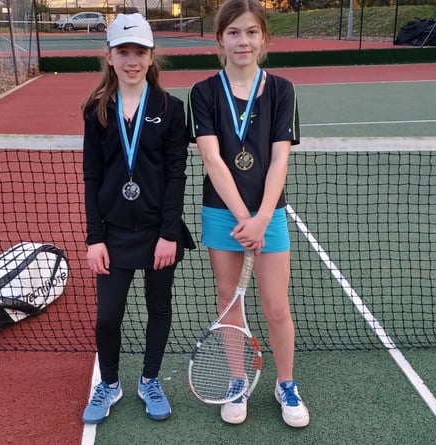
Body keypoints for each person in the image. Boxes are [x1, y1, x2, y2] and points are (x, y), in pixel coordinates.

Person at [187, 0, 309, 428]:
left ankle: (286, 383)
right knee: (229, 303)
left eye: (251, 32)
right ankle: (237, 380)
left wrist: (260, 219)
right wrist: (243, 218)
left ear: (264, 38)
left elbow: (280, 161)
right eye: (234, 32)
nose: (243, 41)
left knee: (277, 307)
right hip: (223, 214)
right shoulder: (202, 93)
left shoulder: (281, 90)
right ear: (220, 39)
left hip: (269, 216)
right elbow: (213, 161)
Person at [81, 13, 194, 424]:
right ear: (109, 57)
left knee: (158, 307)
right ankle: (109, 383)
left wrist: (169, 234)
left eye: (140, 52)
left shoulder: (170, 108)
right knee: (108, 315)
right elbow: (92, 175)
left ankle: (149, 379)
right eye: (123, 51)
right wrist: (95, 238)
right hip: (112, 235)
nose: (132, 60)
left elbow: (175, 174)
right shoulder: (96, 110)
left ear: (151, 56)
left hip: (157, 235)